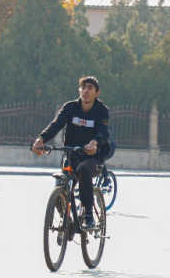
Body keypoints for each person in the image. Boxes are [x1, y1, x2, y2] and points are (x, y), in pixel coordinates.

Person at [32, 76, 111, 230]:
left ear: (97, 93)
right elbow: (56, 125)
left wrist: (95, 142)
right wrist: (41, 139)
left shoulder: (102, 110)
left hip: (93, 157)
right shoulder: (70, 108)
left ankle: (88, 215)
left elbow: (104, 132)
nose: (85, 91)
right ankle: (68, 221)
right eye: (83, 87)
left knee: (84, 170)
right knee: (61, 183)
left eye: (90, 88)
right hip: (72, 154)